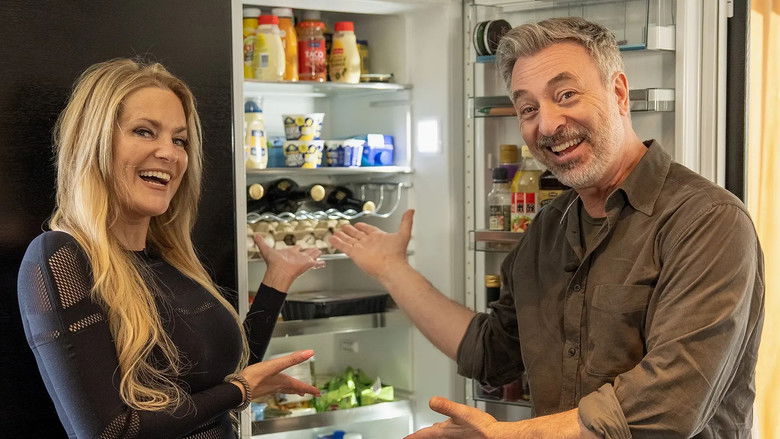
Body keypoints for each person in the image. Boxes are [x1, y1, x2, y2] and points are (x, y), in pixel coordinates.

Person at [331, 17, 764, 439]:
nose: (548, 124)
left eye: (567, 95)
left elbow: (672, 403)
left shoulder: (706, 220)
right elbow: (492, 352)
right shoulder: (550, 226)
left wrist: (511, 435)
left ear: (618, 93)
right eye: (528, 109)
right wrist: (392, 269)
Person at [17, 58, 323, 439]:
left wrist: (277, 280)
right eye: (144, 132)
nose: (170, 153)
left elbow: (230, 379)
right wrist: (239, 390)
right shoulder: (59, 257)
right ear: (94, 142)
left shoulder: (174, 263)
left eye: (179, 140)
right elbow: (109, 431)